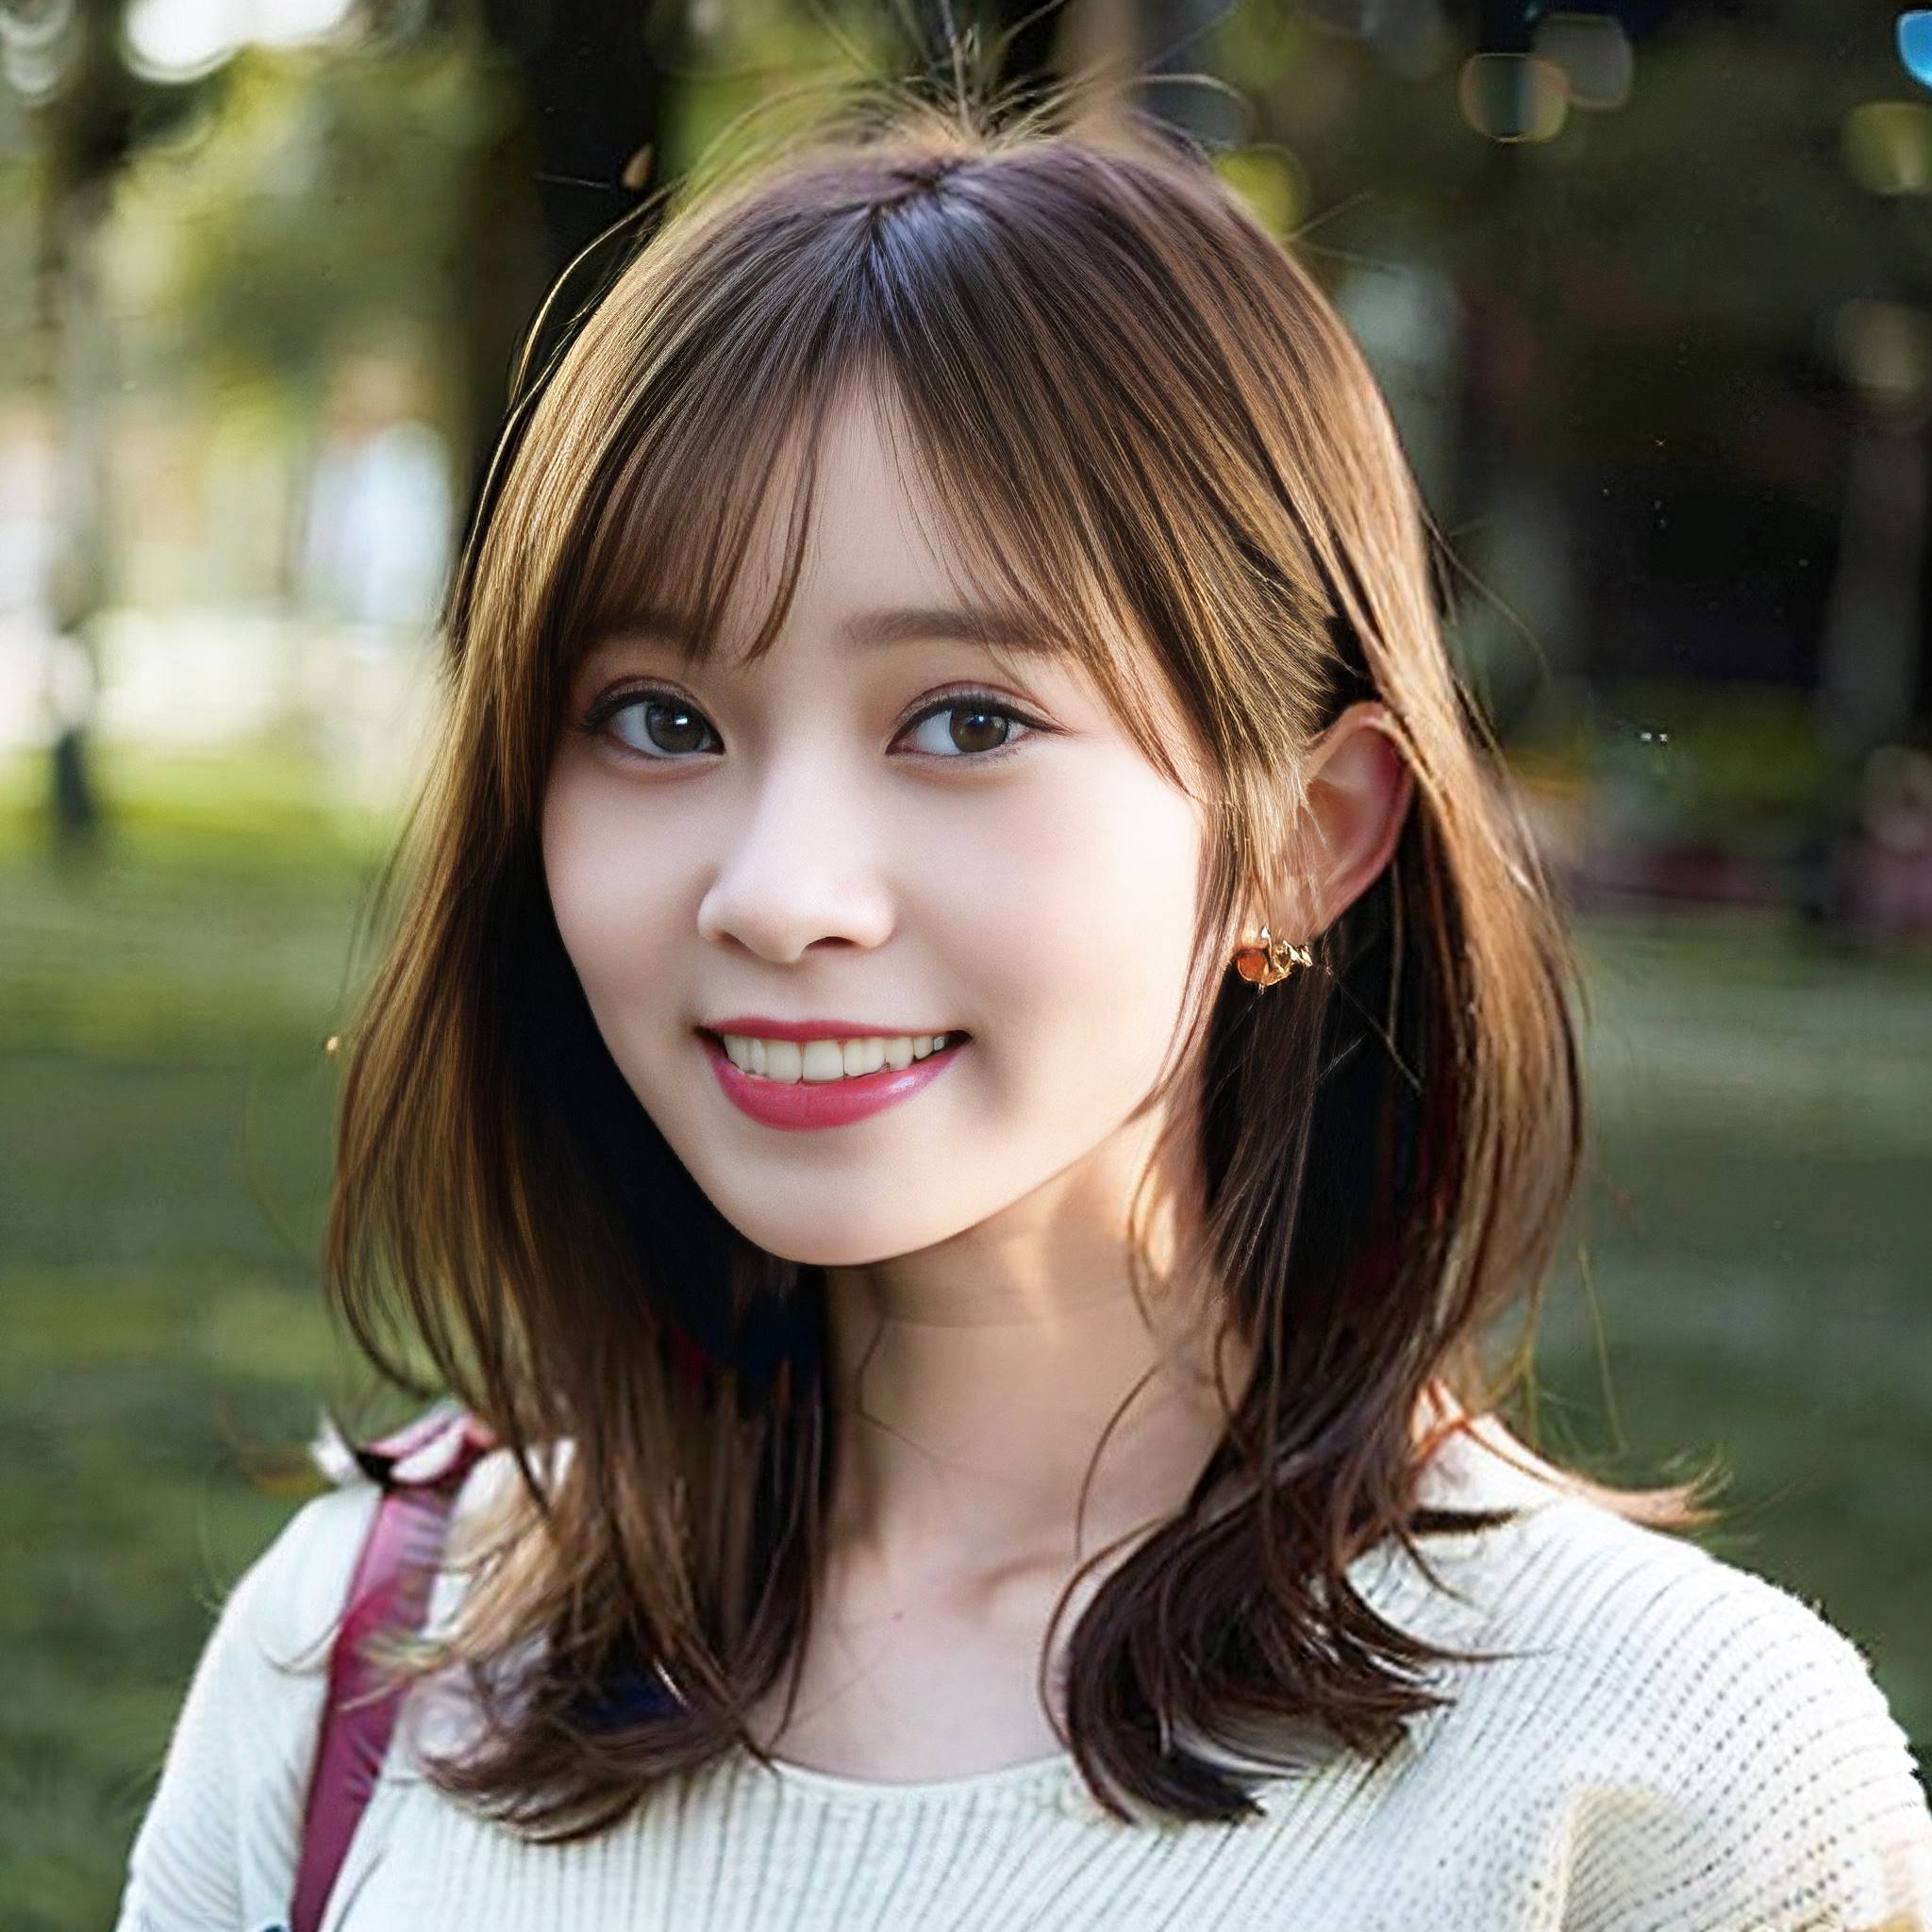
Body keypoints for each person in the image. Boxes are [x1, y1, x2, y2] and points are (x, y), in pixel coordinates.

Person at [114, 83, 1932, 1931]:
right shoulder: (360, 1651)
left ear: (1304, 838)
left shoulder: (1661, 1785)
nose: (778, 892)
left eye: (965, 720)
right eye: (660, 719)